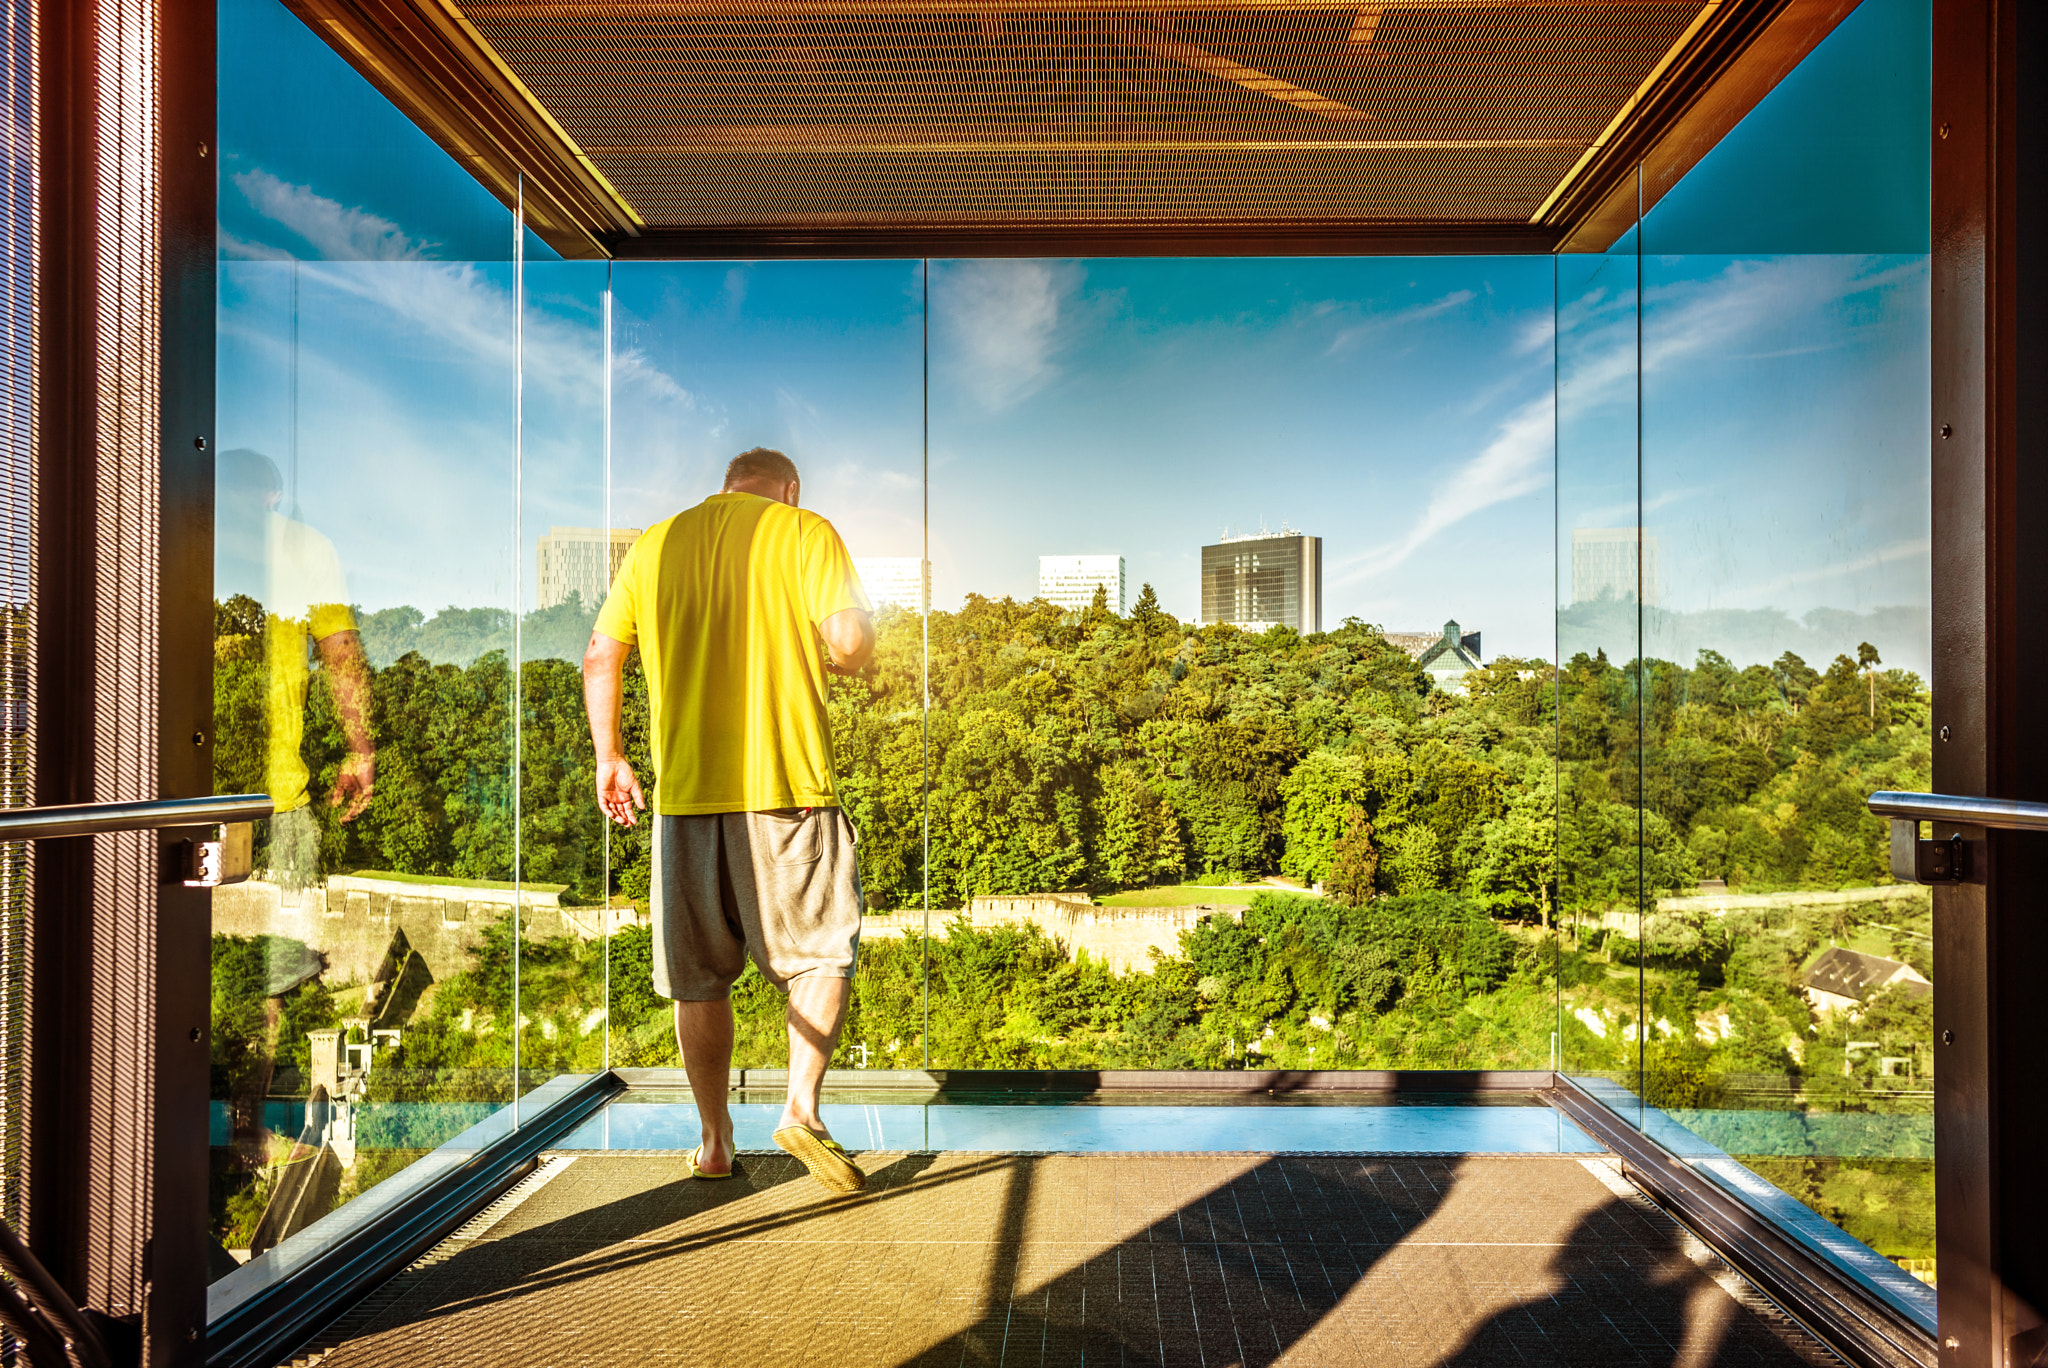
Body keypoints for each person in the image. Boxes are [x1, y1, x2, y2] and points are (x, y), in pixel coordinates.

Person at [583, 447, 876, 1193]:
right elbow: (847, 639)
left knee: (699, 982)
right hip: (788, 787)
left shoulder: (656, 543)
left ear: (723, 489)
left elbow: (599, 656)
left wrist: (610, 756)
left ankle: (714, 1142)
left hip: (683, 798)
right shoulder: (805, 531)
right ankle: (801, 1113)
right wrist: (848, 657)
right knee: (818, 955)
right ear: (790, 488)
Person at [216, 449, 375, 891]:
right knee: (290, 941)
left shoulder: (178, 537)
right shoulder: (306, 546)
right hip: (277, 794)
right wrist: (361, 750)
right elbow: (341, 654)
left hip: (182, 788)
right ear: (275, 496)